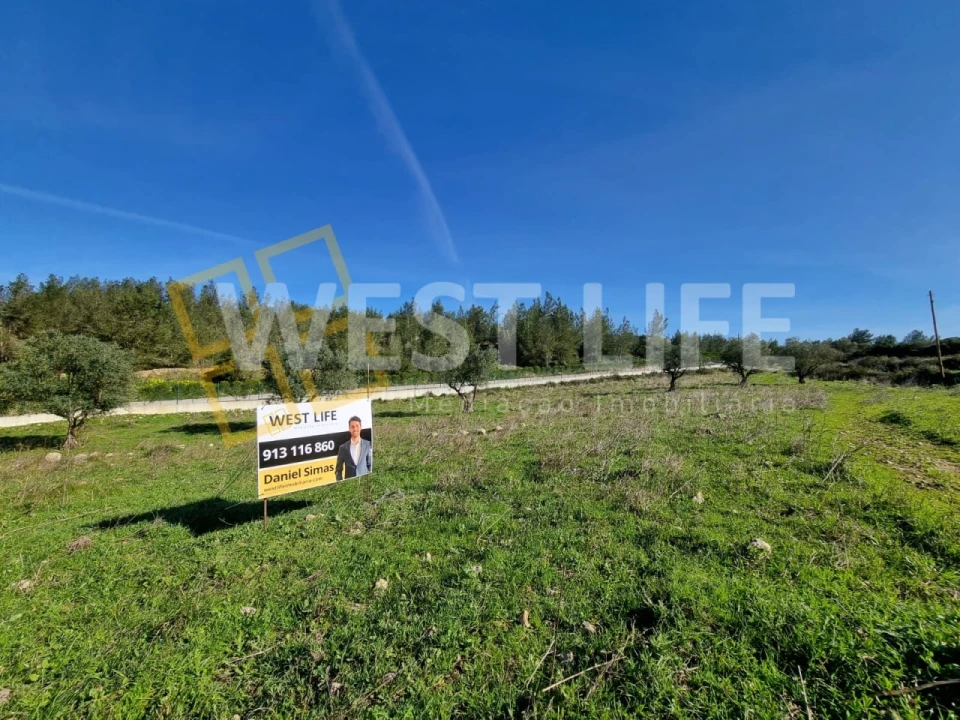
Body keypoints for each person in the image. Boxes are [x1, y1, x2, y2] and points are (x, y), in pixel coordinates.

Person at [335, 415, 372, 480]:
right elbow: (338, 470)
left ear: (361, 427)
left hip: (363, 482)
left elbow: (370, 465)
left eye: (357, 426)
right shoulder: (343, 448)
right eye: (352, 427)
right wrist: (341, 483)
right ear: (349, 429)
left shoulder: (367, 444)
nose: (355, 429)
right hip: (349, 485)